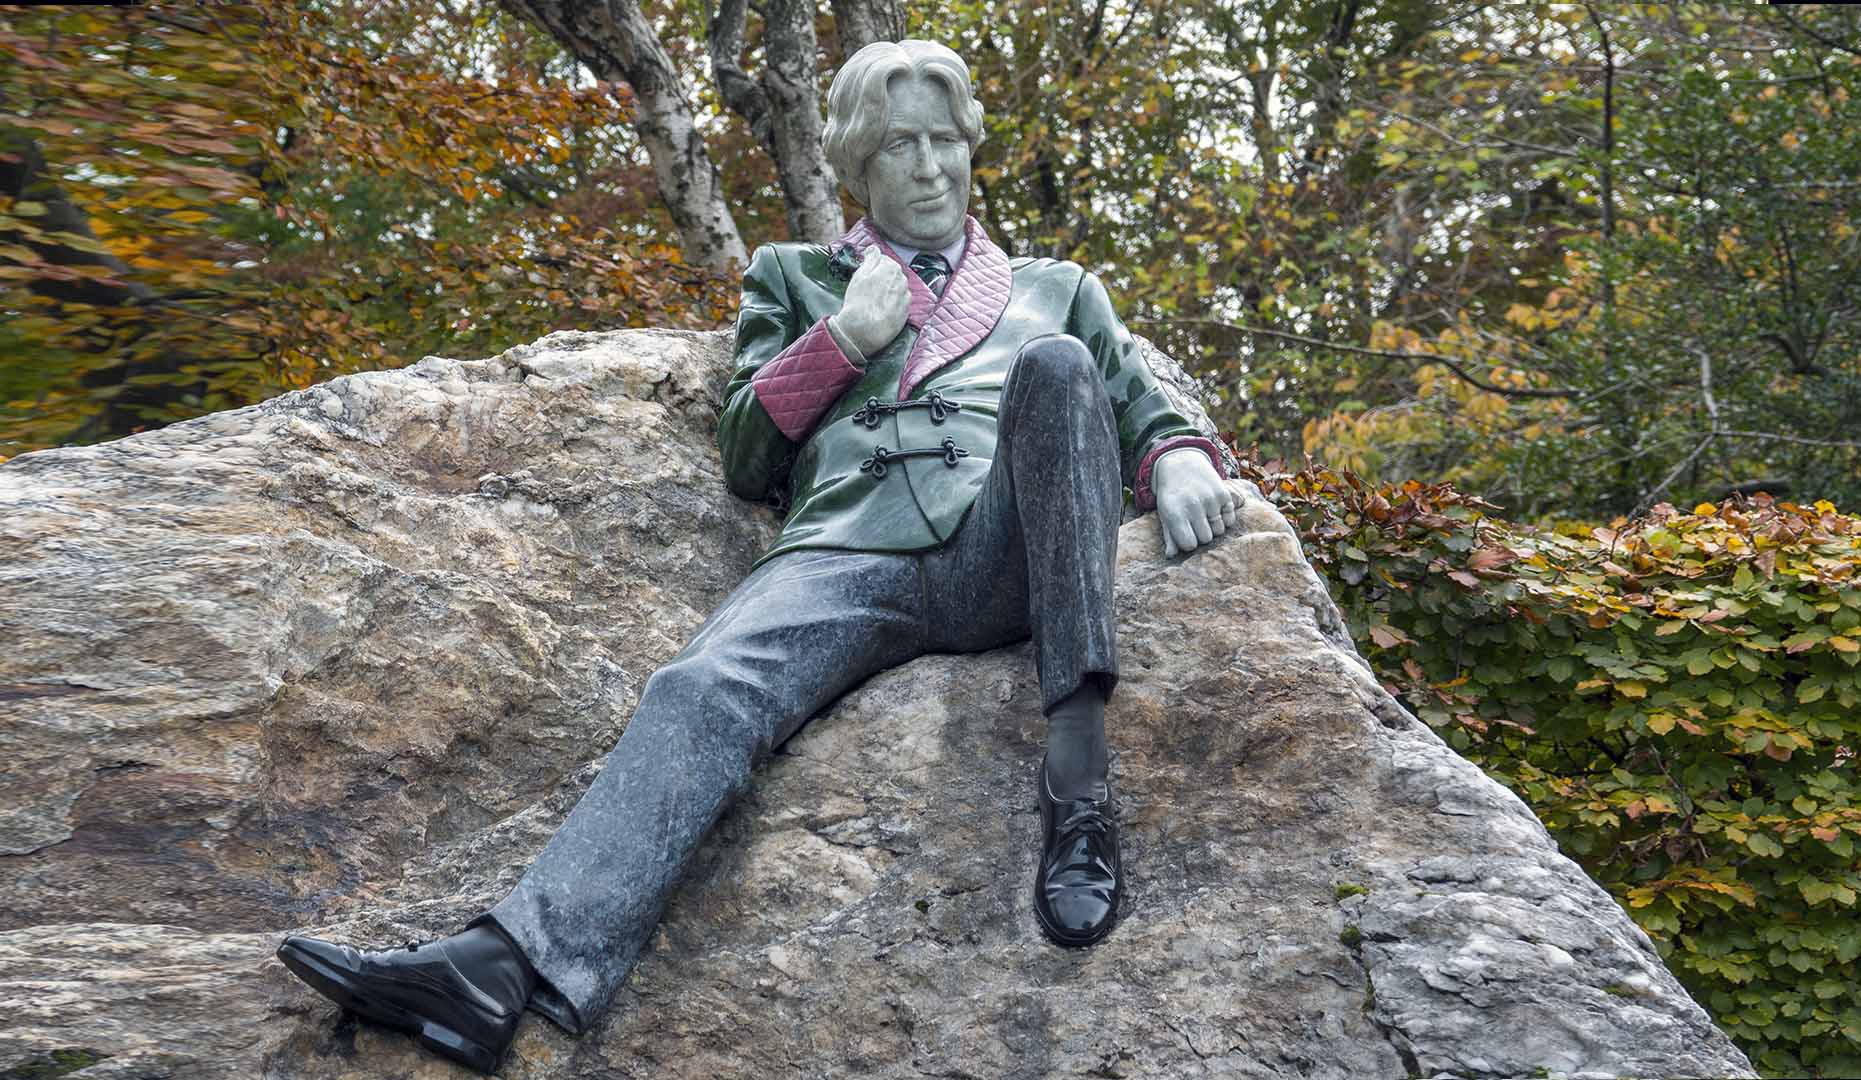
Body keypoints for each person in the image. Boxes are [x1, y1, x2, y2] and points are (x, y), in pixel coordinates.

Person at [275, 38, 1241, 1075]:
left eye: (944, 142)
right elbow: (746, 457)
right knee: (699, 685)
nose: (928, 167)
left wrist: (1179, 458)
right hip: (843, 553)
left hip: (1002, 549)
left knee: (1056, 370)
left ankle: (1079, 794)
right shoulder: (793, 276)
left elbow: (1133, 402)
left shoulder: (1059, 288)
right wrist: (842, 341)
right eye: (900, 146)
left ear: (970, 151)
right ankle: (497, 971)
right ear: (860, 167)